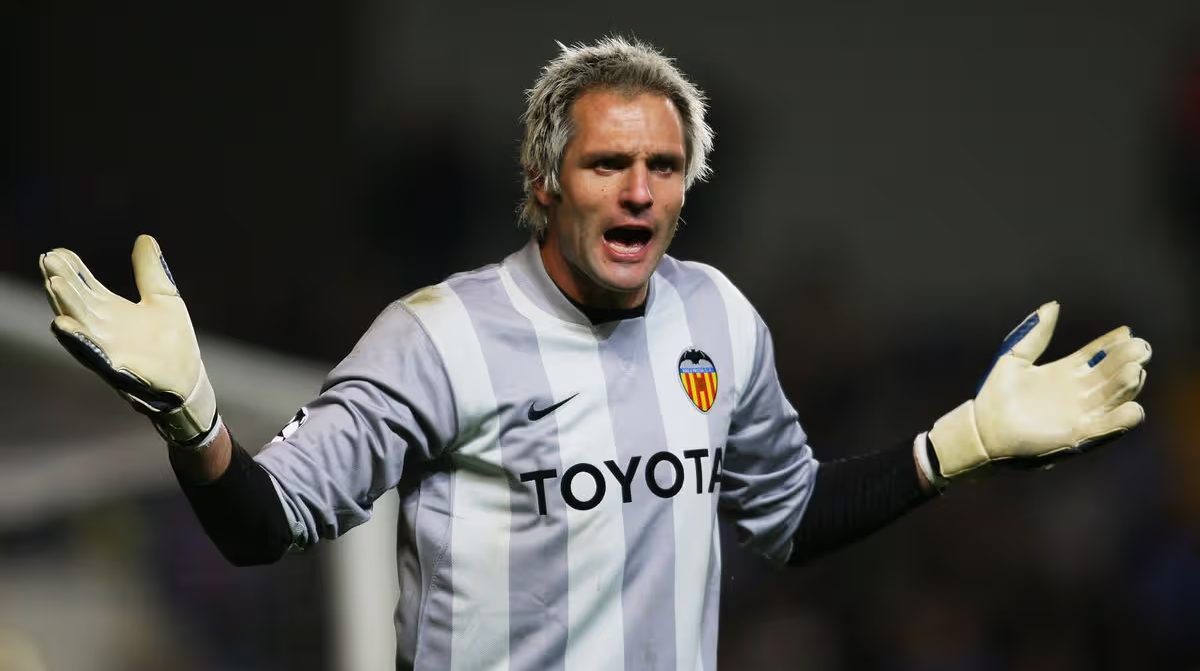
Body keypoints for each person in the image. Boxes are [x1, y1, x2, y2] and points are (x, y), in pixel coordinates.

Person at [37, 36, 1151, 670]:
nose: (638, 190)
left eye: (664, 167)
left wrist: (968, 441)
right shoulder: (438, 337)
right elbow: (263, 528)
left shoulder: (717, 317)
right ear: (541, 184)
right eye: (608, 164)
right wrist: (191, 417)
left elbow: (790, 519)